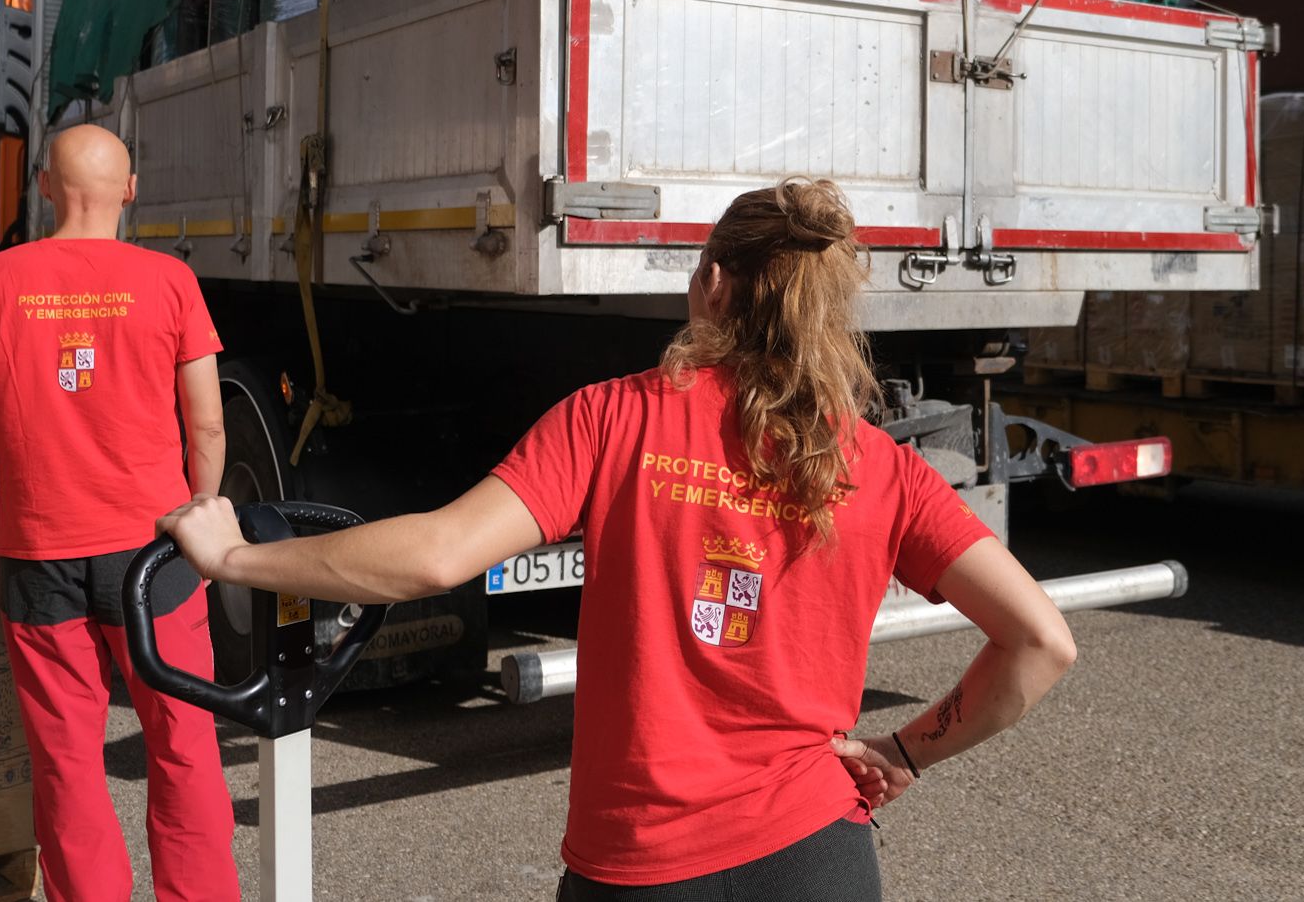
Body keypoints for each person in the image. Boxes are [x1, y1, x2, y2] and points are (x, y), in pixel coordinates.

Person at [159, 178, 1078, 900]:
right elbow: (1041, 641)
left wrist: (236, 555)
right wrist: (905, 752)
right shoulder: (884, 466)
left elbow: (435, 557)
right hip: (818, 858)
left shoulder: (613, 420)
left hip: (640, 867)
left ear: (713, 283)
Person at [0, 124, 239, 902]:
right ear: (130, 191)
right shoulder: (170, 280)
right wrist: (203, 519)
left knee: (66, 759)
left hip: (36, 552)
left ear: (42, 186)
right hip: (158, 550)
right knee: (184, 743)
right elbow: (205, 423)